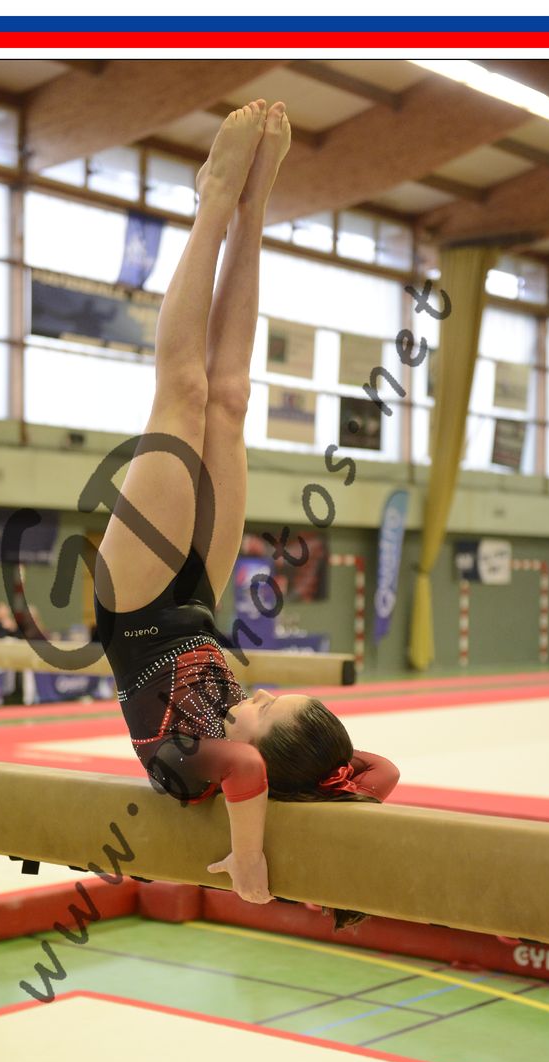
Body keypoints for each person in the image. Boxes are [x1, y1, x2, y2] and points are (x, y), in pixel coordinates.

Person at [91, 101, 399, 912]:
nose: (253, 694)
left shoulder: (192, 768)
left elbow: (250, 769)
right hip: (196, 601)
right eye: (268, 696)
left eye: (261, 708)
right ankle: (255, 206)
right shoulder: (261, 753)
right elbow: (377, 771)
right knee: (230, 400)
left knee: (184, 393)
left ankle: (213, 201)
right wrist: (333, 788)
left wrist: (252, 862)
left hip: (135, 611)